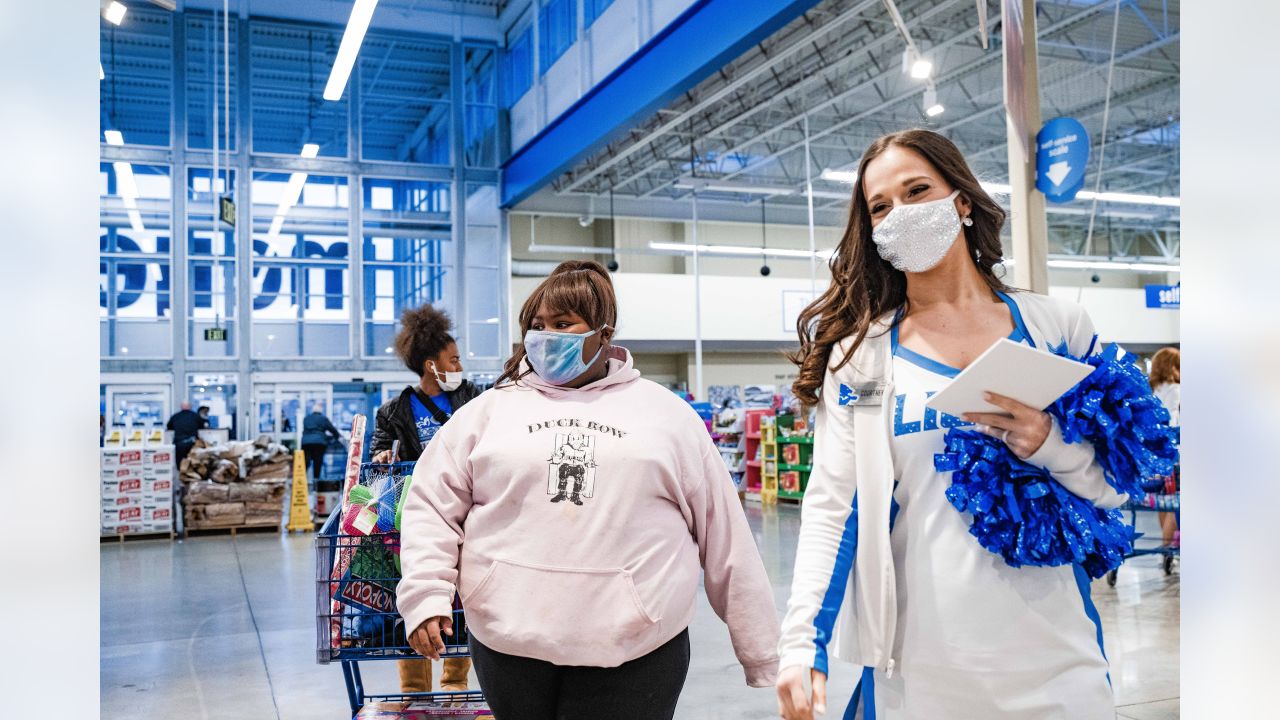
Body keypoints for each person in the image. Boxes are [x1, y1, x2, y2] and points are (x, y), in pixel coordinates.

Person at [776, 130, 1125, 720]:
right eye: (881, 206)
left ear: (961, 200)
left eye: (917, 191)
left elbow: (1116, 484)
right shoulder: (862, 356)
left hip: (1061, 669)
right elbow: (834, 505)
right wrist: (800, 642)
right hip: (921, 674)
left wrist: (1050, 444)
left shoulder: (1058, 328)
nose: (901, 214)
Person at [396, 261, 779, 720]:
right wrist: (425, 597)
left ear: (604, 333)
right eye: (536, 326)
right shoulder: (486, 413)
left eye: (562, 324)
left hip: (638, 649)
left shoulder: (667, 417)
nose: (545, 336)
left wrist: (760, 649)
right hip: (508, 644)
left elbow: (726, 536)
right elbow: (431, 507)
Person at [369, 305, 482, 696]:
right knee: (417, 596)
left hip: (467, 517)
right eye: (454, 360)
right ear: (432, 366)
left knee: (463, 600)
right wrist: (384, 457)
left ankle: (455, 686)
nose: (460, 365)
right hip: (414, 520)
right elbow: (377, 463)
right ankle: (415, 692)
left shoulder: (475, 401)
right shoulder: (393, 412)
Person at [1150, 347, 1181, 547]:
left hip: (1156, 453)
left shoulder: (1154, 390)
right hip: (1174, 452)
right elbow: (1173, 421)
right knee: (1176, 502)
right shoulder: (1176, 389)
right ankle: (1170, 549)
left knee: (1164, 501)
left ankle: (1166, 547)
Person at [300, 404, 342, 481]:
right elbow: (332, 429)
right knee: (317, 462)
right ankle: (316, 482)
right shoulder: (323, 419)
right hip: (319, 443)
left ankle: (301, 482)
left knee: (305, 462)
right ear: (320, 411)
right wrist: (337, 436)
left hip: (306, 443)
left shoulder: (306, 418)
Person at [166, 401, 207, 466]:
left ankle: (181, 474)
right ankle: (191, 475)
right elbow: (202, 427)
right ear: (190, 407)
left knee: (181, 463)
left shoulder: (175, 416)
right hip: (192, 443)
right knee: (193, 463)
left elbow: (169, 427)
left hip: (179, 443)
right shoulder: (195, 416)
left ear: (181, 407)